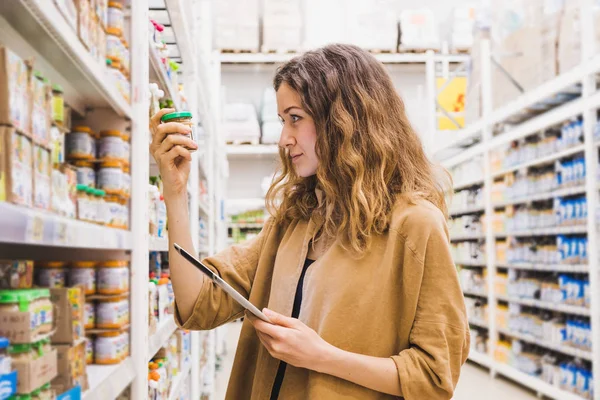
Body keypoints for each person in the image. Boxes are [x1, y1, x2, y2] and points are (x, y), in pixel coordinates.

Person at [150, 43, 469, 400]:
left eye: (295, 118)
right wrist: (175, 193)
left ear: (344, 118)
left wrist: (321, 356)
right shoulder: (295, 220)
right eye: (282, 121)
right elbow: (197, 305)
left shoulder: (415, 227)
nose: (285, 138)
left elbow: (434, 375)